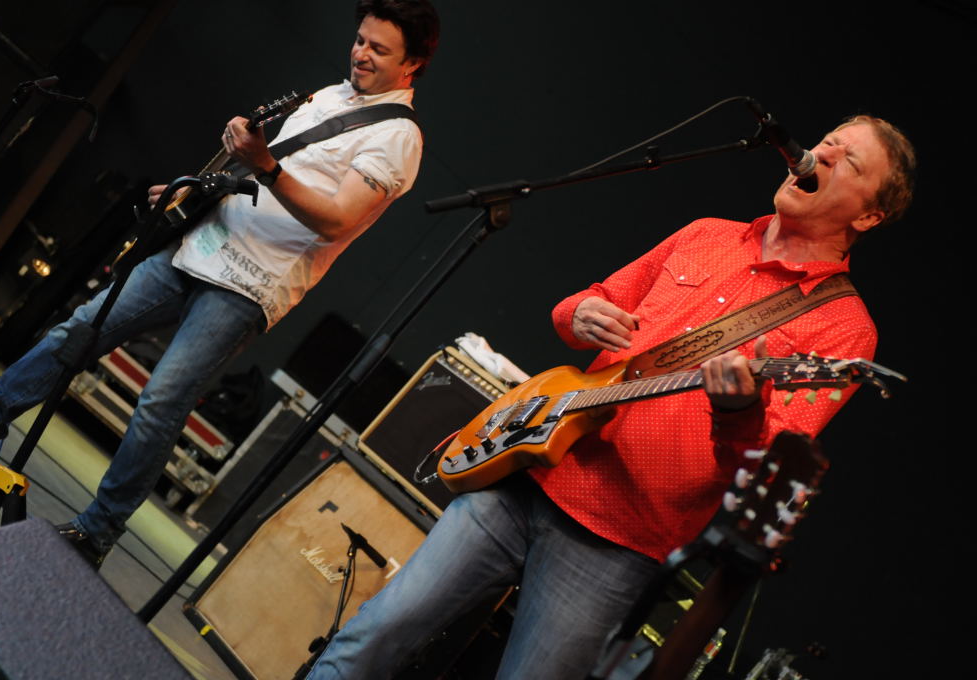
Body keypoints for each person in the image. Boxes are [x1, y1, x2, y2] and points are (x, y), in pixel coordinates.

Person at [305, 115, 917, 679]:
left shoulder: (844, 331)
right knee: (374, 636)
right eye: (829, 140)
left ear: (869, 217)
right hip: (529, 473)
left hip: (617, 546)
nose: (822, 153)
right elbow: (587, 303)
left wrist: (738, 410)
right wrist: (580, 312)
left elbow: (766, 462)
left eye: (849, 160)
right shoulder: (707, 234)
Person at [0, 0, 440, 566]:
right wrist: (197, 187)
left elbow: (337, 219)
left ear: (413, 64)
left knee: (161, 398)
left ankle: (96, 533)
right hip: (202, 244)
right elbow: (264, 177)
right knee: (79, 329)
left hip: (250, 285)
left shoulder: (398, 137)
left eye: (379, 49)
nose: (360, 53)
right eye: (360, 39)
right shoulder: (329, 95)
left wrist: (266, 165)